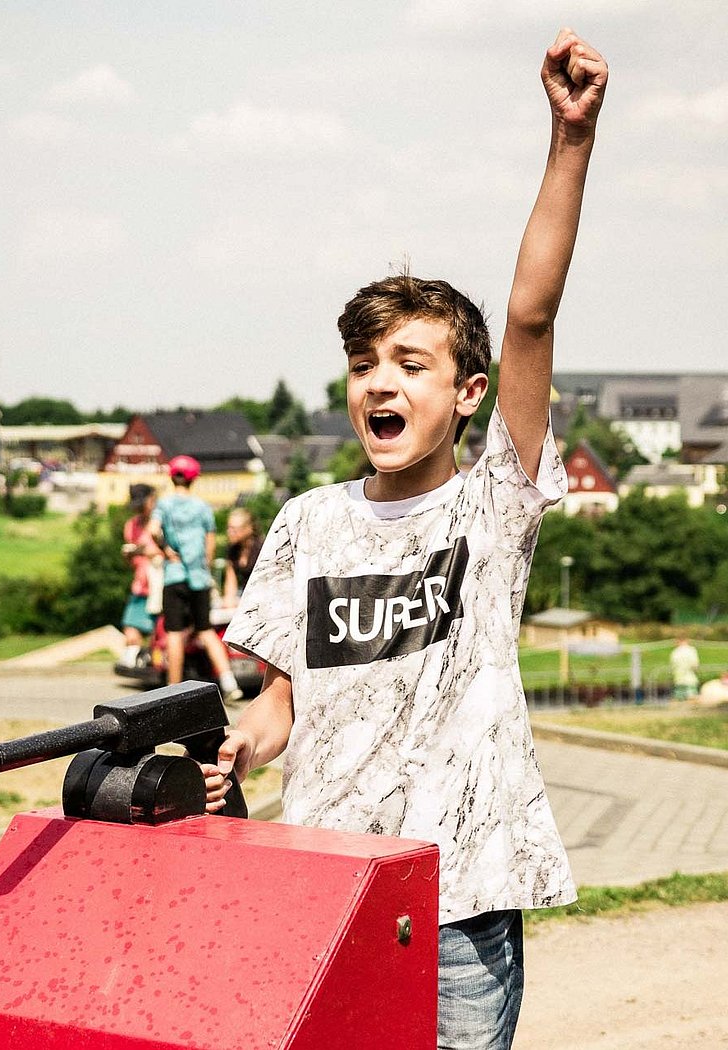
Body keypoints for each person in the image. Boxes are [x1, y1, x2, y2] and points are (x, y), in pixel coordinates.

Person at [202, 28, 607, 1050]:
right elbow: (278, 703)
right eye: (364, 363)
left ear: (467, 394)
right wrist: (236, 749)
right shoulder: (308, 524)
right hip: (319, 888)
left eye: (411, 363)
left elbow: (530, 317)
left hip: (456, 905)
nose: (380, 382)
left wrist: (570, 139)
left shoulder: (492, 507)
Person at [152, 454, 244, 703]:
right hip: (199, 577)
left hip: (175, 575)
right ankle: (228, 681)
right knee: (205, 630)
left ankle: (172, 690)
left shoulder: (164, 505)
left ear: (172, 477)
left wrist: (166, 551)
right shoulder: (203, 507)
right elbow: (210, 546)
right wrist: (204, 566)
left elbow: (153, 531)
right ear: (194, 479)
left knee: (174, 632)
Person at [118, 483, 164, 668]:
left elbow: (166, 552)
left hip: (160, 584)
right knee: (130, 630)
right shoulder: (131, 525)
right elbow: (132, 563)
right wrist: (130, 555)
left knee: (161, 634)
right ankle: (137, 661)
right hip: (141, 585)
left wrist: (143, 551)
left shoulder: (160, 522)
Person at [221, 508, 263, 609]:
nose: (230, 532)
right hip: (246, 597)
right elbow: (231, 579)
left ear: (249, 528)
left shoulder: (261, 548)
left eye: (234, 529)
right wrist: (229, 600)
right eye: (229, 528)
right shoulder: (232, 550)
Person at [669, 637, 700, 701]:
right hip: (690, 677)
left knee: (679, 697)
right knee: (692, 696)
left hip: (678, 677)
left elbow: (672, 665)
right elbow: (695, 664)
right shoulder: (691, 650)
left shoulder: (675, 652)